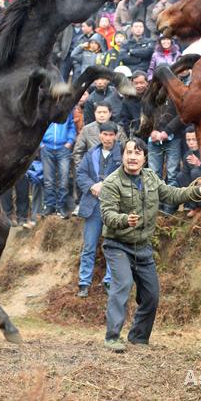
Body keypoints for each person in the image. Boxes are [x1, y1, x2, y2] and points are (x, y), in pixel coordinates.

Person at [100, 138, 201, 352]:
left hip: (142, 247)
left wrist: (198, 191)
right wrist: (125, 219)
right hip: (118, 246)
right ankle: (112, 337)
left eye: (137, 153)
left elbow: (172, 194)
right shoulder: (112, 183)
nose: (132, 157)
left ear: (145, 157)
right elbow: (107, 214)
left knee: (151, 295)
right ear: (122, 155)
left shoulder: (150, 177)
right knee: (122, 286)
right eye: (128, 152)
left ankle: (138, 338)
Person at [77, 121, 122, 298]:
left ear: (116, 136)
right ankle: (84, 283)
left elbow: (126, 174)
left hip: (114, 206)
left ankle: (110, 281)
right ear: (100, 135)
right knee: (89, 246)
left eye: (111, 135)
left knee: (112, 245)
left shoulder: (123, 153)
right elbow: (80, 174)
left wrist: (105, 185)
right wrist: (91, 186)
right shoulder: (91, 154)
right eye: (105, 134)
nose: (108, 138)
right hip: (93, 206)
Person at [41, 112, 76, 218]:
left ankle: (62, 206)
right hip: (46, 147)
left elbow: (71, 126)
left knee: (64, 179)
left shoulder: (67, 111)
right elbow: (38, 127)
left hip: (63, 148)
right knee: (48, 180)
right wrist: (41, 144)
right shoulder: (46, 109)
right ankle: (49, 206)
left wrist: (70, 142)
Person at [73, 102, 118, 167]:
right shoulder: (87, 130)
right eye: (99, 112)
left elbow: (124, 151)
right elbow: (77, 153)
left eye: (104, 112)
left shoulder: (118, 129)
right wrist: (82, 170)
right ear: (94, 113)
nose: (102, 115)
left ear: (110, 114)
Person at [177, 125, 201, 217]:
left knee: (195, 172)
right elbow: (185, 176)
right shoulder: (187, 155)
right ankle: (193, 207)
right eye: (188, 140)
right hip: (195, 184)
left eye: (194, 139)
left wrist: (199, 164)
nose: (191, 143)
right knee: (180, 176)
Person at [120, 70, 149, 137]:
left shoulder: (152, 97)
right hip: (136, 136)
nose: (139, 86)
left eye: (142, 83)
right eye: (136, 83)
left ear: (147, 83)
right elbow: (126, 121)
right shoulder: (127, 100)